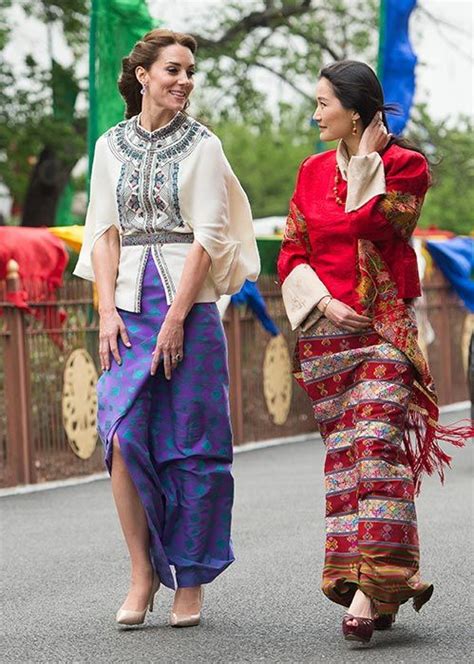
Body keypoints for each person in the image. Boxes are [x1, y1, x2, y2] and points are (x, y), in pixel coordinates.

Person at [278, 60, 470, 645]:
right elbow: (291, 253)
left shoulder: (405, 168)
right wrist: (325, 305)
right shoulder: (310, 171)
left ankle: (375, 584)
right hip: (326, 337)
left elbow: (374, 228)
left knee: (375, 442)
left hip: (383, 331)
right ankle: (373, 580)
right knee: (345, 457)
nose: (314, 114)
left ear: (354, 110)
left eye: (323, 104)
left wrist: (366, 164)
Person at [74, 28, 260, 627]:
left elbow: (209, 235)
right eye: (173, 70)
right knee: (122, 436)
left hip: (190, 305)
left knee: (193, 444)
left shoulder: (204, 146)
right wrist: (106, 310)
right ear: (144, 74)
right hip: (126, 305)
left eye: (189, 72)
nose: (183, 80)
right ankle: (141, 571)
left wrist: (178, 316)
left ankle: (191, 577)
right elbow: (102, 231)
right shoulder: (108, 146)